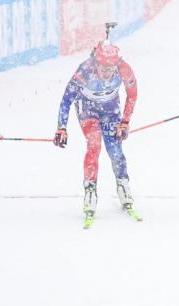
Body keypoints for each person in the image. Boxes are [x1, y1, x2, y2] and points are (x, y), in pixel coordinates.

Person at [54, 39, 139, 224]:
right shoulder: (85, 70)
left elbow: (132, 94)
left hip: (110, 109)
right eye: (103, 69)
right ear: (96, 64)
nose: (107, 73)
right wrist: (62, 127)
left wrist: (124, 122)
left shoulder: (123, 68)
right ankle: (90, 191)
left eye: (111, 69)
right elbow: (67, 99)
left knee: (115, 151)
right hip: (88, 108)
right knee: (94, 146)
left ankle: (123, 185)